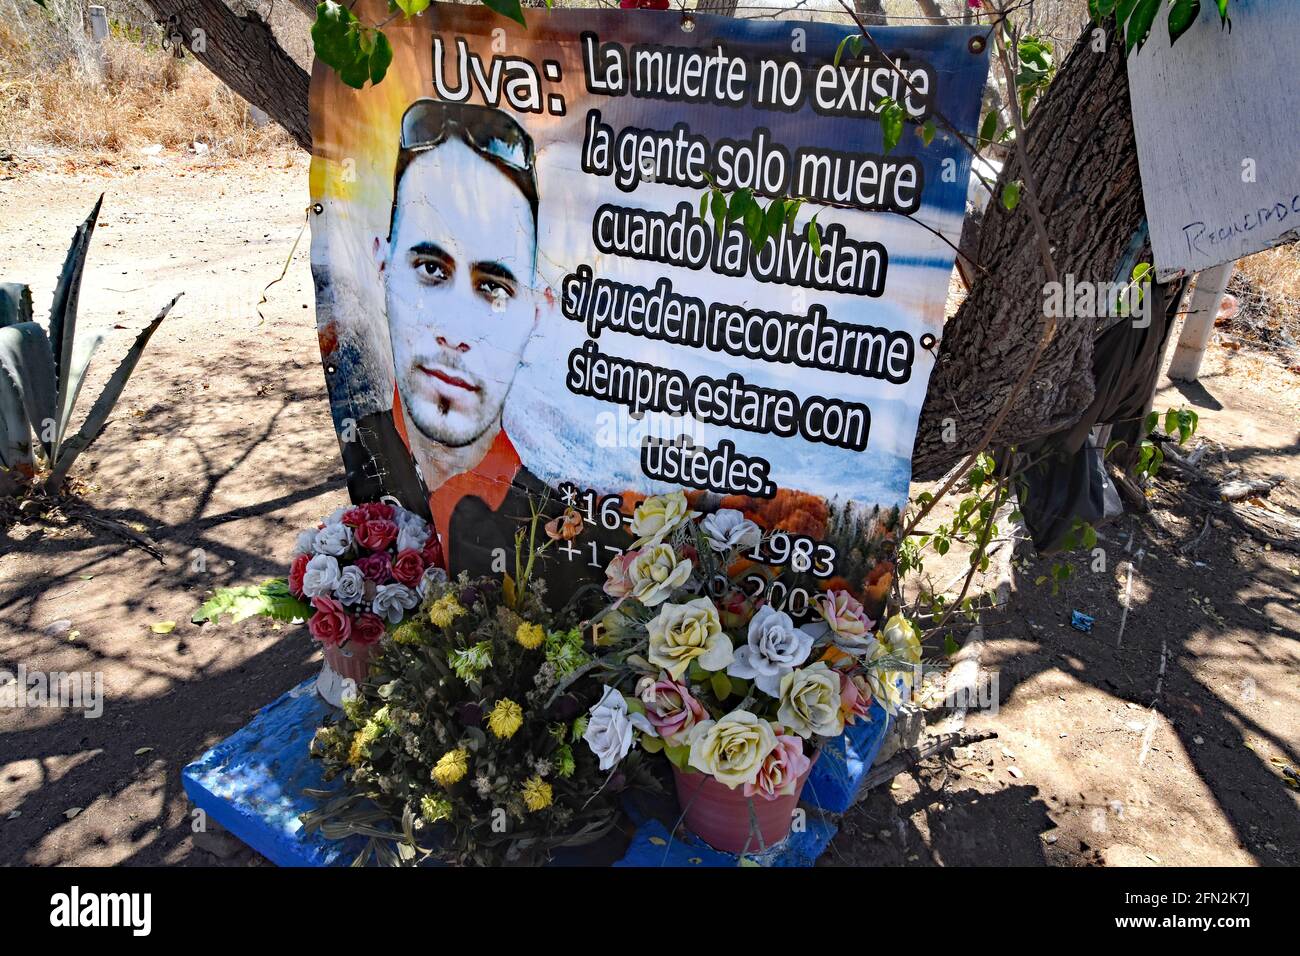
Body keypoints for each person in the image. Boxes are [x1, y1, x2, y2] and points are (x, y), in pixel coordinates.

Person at [351, 99, 624, 595]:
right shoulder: (365, 445)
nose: (456, 333)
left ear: (537, 313)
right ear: (383, 266)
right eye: (431, 269)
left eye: (493, 287)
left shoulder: (568, 513)